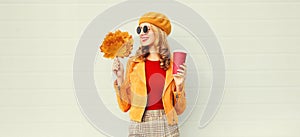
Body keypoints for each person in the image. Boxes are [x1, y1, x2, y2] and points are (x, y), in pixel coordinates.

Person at [112, 11, 187, 137]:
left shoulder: (172, 65)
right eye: (139, 30)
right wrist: (119, 78)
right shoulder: (134, 63)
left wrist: (179, 86)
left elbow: (179, 110)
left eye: (146, 29)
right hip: (139, 123)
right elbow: (125, 106)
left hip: (167, 122)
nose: (141, 33)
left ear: (158, 31)